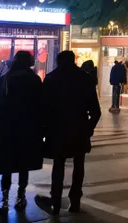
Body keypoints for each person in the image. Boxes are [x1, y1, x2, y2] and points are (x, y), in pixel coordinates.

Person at [35, 50, 101, 215]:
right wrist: (89, 128)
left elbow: (43, 109)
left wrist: (43, 131)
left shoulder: (50, 79)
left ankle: (55, 201)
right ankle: (75, 201)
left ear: (58, 61)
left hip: (57, 129)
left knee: (58, 165)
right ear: (74, 61)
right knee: (79, 165)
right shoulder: (85, 79)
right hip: (79, 128)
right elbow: (96, 111)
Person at [0, 51, 43, 215]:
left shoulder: (5, 79)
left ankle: (4, 200)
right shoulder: (34, 79)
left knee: (7, 164)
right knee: (23, 164)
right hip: (27, 128)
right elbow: (40, 104)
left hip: (7, 128)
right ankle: (21, 197)